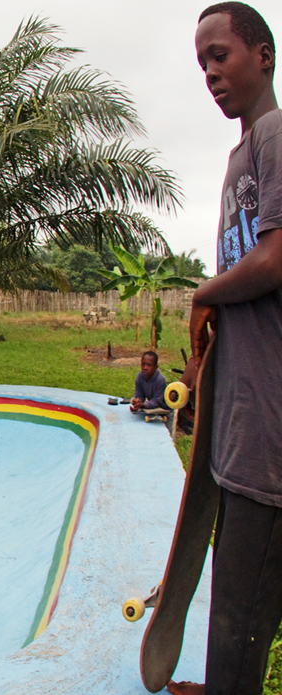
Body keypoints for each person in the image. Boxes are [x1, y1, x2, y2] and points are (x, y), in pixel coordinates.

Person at [169, 4, 281, 695]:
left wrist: (203, 293)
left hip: (271, 432)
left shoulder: (275, 135)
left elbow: (273, 262)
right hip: (241, 416)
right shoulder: (242, 153)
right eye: (201, 62)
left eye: (221, 55)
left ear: (262, 54)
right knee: (234, 592)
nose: (210, 72)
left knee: (243, 606)